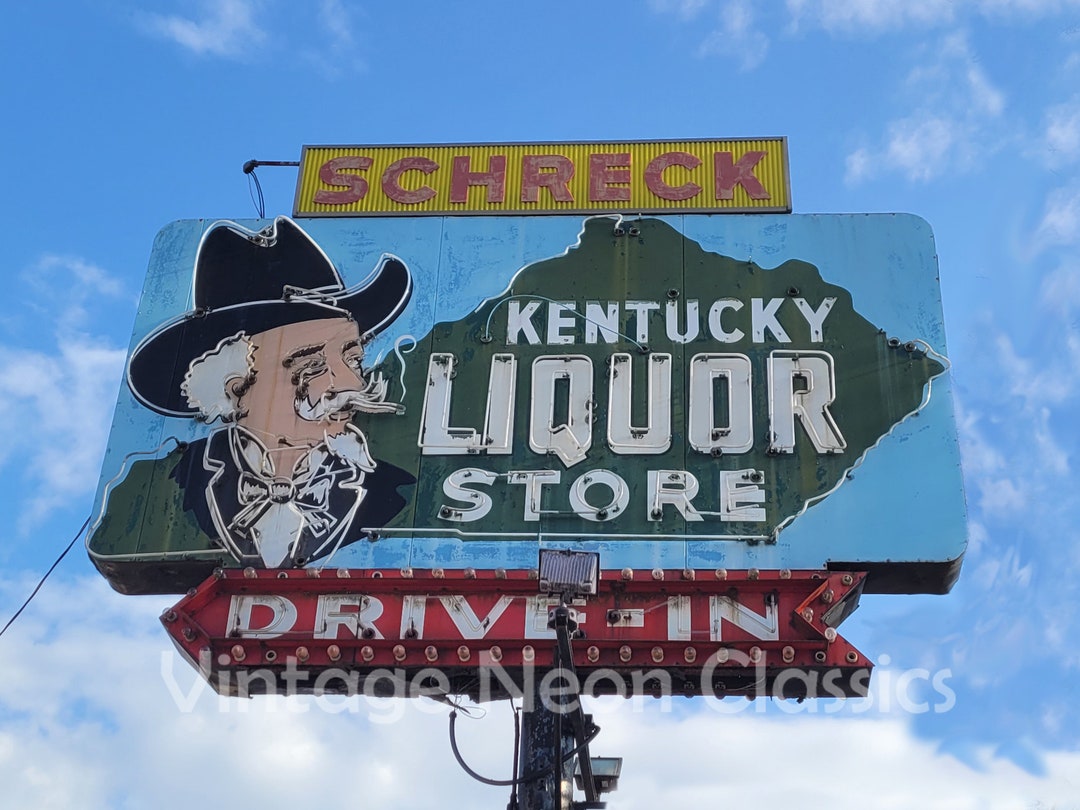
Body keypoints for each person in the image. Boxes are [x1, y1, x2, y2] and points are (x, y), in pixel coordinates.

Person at [122, 216, 414, 569]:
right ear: (235, 386)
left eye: (352, 359)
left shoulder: (396, 490)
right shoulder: (160, 487)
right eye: (312, 365)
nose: (351, 385)